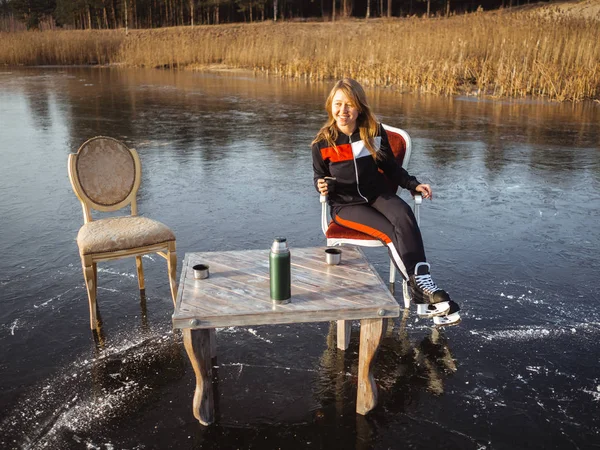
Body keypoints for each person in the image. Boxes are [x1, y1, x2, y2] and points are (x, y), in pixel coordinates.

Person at [311, 78, 460, 327]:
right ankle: (424, 294)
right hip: (346, 206)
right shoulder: (322, 143)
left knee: (404, 214)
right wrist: (320, 184)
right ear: (330, 106)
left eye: (349, 105)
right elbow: (318, 177)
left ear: (359, 107)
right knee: (389, 232)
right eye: (338, 104)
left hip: (377, 195)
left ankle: (424, 291)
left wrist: (413, 184)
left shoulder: (373, 133)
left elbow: (391, 168)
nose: (343, 111)